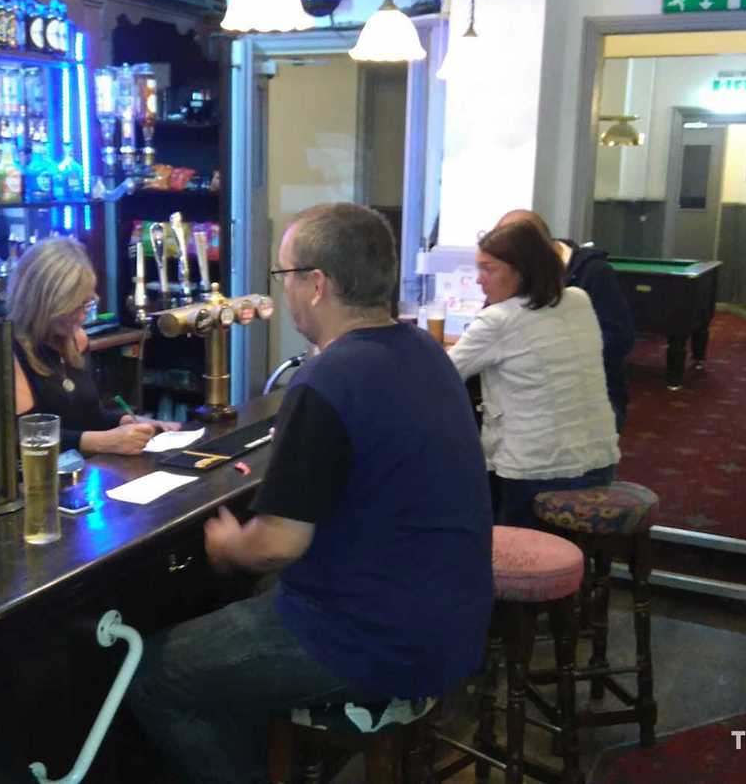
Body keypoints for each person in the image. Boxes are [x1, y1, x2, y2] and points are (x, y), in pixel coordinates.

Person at [126, 203, 493, 784]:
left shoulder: (328, 379)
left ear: (317, 284)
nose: (284, 290)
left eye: (284, 274)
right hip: (455, 619)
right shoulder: (425, 351)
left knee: (152, 674)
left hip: (377, 639)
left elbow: (277, 545)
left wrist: (228, 544)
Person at [448, 218, 621, 527]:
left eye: (488, 269)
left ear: (521, 271)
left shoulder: (498, 319)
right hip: (599, 460)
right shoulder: (578, 299)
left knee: (495, 524)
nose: (478, 280)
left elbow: (441, 375)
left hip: (537, 470)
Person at [6, 237, 175, 455]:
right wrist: (103, 442)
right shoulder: (10, 351)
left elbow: (89, 416)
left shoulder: (76, 339)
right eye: (72, 307)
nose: (82, 316)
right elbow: (25, 435)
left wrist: (127, 421)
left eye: (86, 304)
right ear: (41, 304)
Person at [497, 208, 635, 430]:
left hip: (590, 393)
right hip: (528, 387)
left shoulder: (594, 273)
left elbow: (620, 339)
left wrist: (556, 354)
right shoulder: (517, 270)